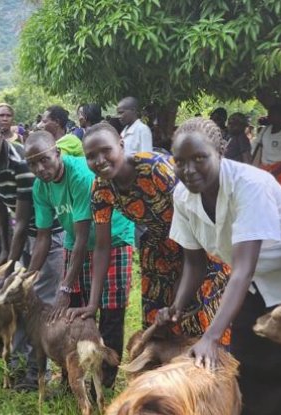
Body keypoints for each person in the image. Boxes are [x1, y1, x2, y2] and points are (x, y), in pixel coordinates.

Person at [161, 118, 281, 415]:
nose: (189, 170)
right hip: (254, 282)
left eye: (199, 159)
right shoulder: (182, 196)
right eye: (180, 161)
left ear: (220, 151)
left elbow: (241, 268)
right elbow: (193, 262)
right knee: (244, 360)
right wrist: (178, 306)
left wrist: (210, 335)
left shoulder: (249, 184)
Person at [75, 122, 229, 332]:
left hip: (197, 247)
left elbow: (192, 221)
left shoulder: (156, 169)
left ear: (121, 144)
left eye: (105, 150)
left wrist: (183, 282)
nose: (99, 161)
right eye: (91, 156)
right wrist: (93, 304)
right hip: (159, 252)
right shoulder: (100, 188)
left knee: (197, 319)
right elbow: (102, 247)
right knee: (159, 325)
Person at [25, 131, 134, 387]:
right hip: (76, 243)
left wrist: (64, 284)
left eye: (44, 160)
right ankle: (71, 374)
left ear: (57, 154)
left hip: (113, 238)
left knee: (110, 311)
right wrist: (26, 278)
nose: (40, 169)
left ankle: (104, 379)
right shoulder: (40, 187)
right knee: (72, 311)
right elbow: (42, 238)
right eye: (32, 164)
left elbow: (85, 235)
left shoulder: (79, 176)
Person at [0, 110, 65, 391]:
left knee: (39, 305)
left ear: (2, 134)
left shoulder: (21, 164)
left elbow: (23, 221)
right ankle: (21, 365)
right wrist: (4, 248)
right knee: (20, 303)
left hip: (48, 238)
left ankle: (38, 372)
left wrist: (9, 262)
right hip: (24, 236)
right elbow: (1, 204)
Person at [251, 103, 281, 190]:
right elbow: (256, 147)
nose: (269, 116)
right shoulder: (265, 130)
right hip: (264, 168)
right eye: (269, 113)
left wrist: (275, 173)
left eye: (273, 114)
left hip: (279, 171)